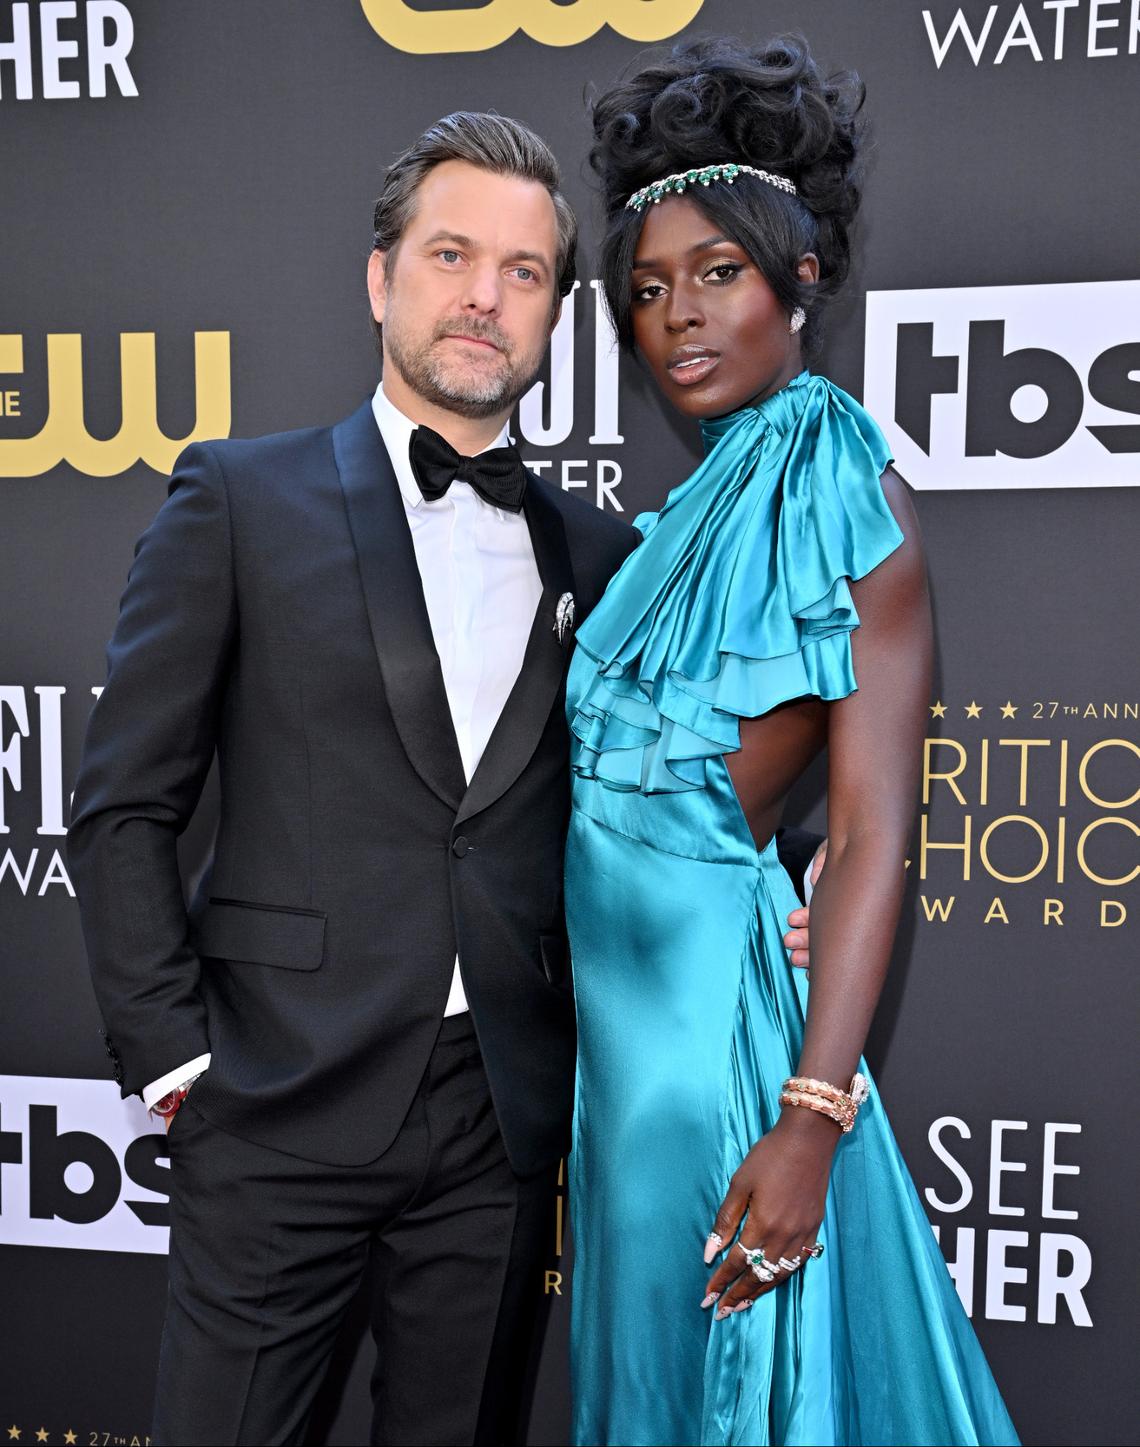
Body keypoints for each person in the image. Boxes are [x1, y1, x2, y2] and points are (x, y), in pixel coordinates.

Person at [67, 111, 820, 1447]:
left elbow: (697, 775)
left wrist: (794, 885)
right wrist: (176, 1059)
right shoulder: (237, 499)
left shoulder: (606, 552)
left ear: (553, 314)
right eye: (452, 255)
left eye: (524, 272)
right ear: (381, 277)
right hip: (274, 1107)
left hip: (502, 1122)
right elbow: (125, 800)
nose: (483, 296)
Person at [565, 36, 1019, 1447]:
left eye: (717, 274)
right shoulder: (675, 514)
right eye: (648, 289)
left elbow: (879, 825)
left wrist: (813, 1117)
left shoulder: (837, 473)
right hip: (614, 1053)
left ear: (802, 277)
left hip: (714, 1051)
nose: (678, 317)